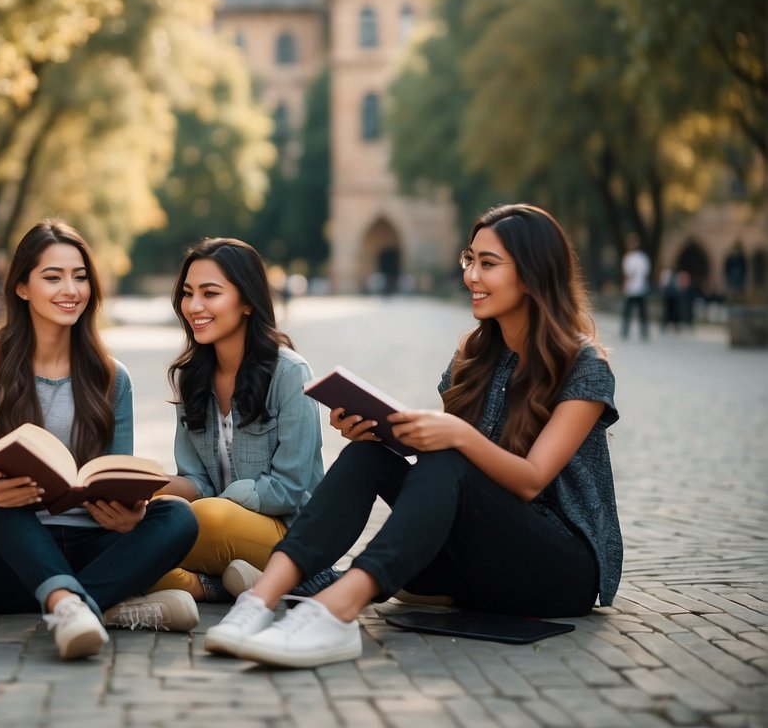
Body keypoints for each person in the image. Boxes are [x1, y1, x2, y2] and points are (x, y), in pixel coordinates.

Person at [206, 204, 622, 668]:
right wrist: (381, 431)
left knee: (451, 457)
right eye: (470, 259)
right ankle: (258, 601)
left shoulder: (584, 365)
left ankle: (335, 611)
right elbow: (442, 479)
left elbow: (529, 480)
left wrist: (455, 435)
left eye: (488, 264)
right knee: (369, 457)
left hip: (558, 570)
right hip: (475, 558)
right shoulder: (476, 356)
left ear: (531, 275)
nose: (470, 276)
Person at [0, 220, 200, 660]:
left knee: (179, 517)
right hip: (6, 555)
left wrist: (128, 514)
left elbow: (116, 471)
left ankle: (75, 604)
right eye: (52, 277)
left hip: (91, 548)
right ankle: (85, 605)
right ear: (22, 287)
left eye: (79, 277)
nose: (69, 289)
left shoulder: (114, 378)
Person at [152, 238, 334, 602]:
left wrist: (219, 501)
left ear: (247, 302)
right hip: (215, 524)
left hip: (288, 534)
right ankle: (211, 587)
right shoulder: (192, 379)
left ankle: (225, 582)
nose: (194, 306)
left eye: (210, 293)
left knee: (206, 519)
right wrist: (149, 489)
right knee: (127, 526)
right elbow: (197, 481)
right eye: (188, 293)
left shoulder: (290, 373)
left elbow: (291, 488)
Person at [620, 232, 651, 341]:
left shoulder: (633, 258)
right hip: (633, 289)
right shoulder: (638, 258)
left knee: (639, 312)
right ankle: (626, 331)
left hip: (638, 289)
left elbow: (628, 275)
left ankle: (642, 332)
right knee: (631, 311)